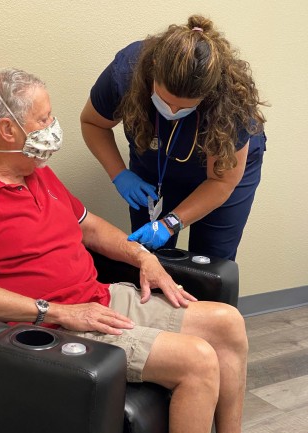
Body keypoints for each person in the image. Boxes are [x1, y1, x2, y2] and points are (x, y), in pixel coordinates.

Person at [0, 69, 274, 433]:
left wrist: (142, 256)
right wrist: (60, 313)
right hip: (54, 327)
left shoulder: (35, 172)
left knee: (228, 324)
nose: (53, 128)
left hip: (97, 297)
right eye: (43, 119)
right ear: (7, 130)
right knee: (197, 360)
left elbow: (88, 225)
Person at [80, 14, 267, 261]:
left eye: (185, 107)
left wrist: (171, 223)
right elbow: (92, 122)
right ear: (153, 69)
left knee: (210, 260)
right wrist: (119, 174)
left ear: (209, 93)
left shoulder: (231, 101)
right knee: (149, 254)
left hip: (221, 173)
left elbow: (221, 182)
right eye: (166, 102)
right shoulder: (127, 72)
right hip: (154, 161)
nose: (173, 113)